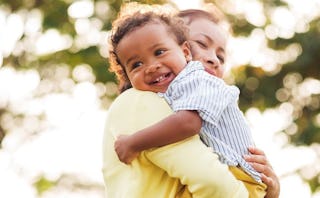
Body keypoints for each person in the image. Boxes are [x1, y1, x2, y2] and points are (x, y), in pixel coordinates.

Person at [110, 4, 271, 197]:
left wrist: (133, 143)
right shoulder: (147, 99)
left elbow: (188, 123)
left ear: (183, 50)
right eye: (202, 44)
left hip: (237, 177)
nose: (214, 59)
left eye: (221, 56)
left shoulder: (198, 81)